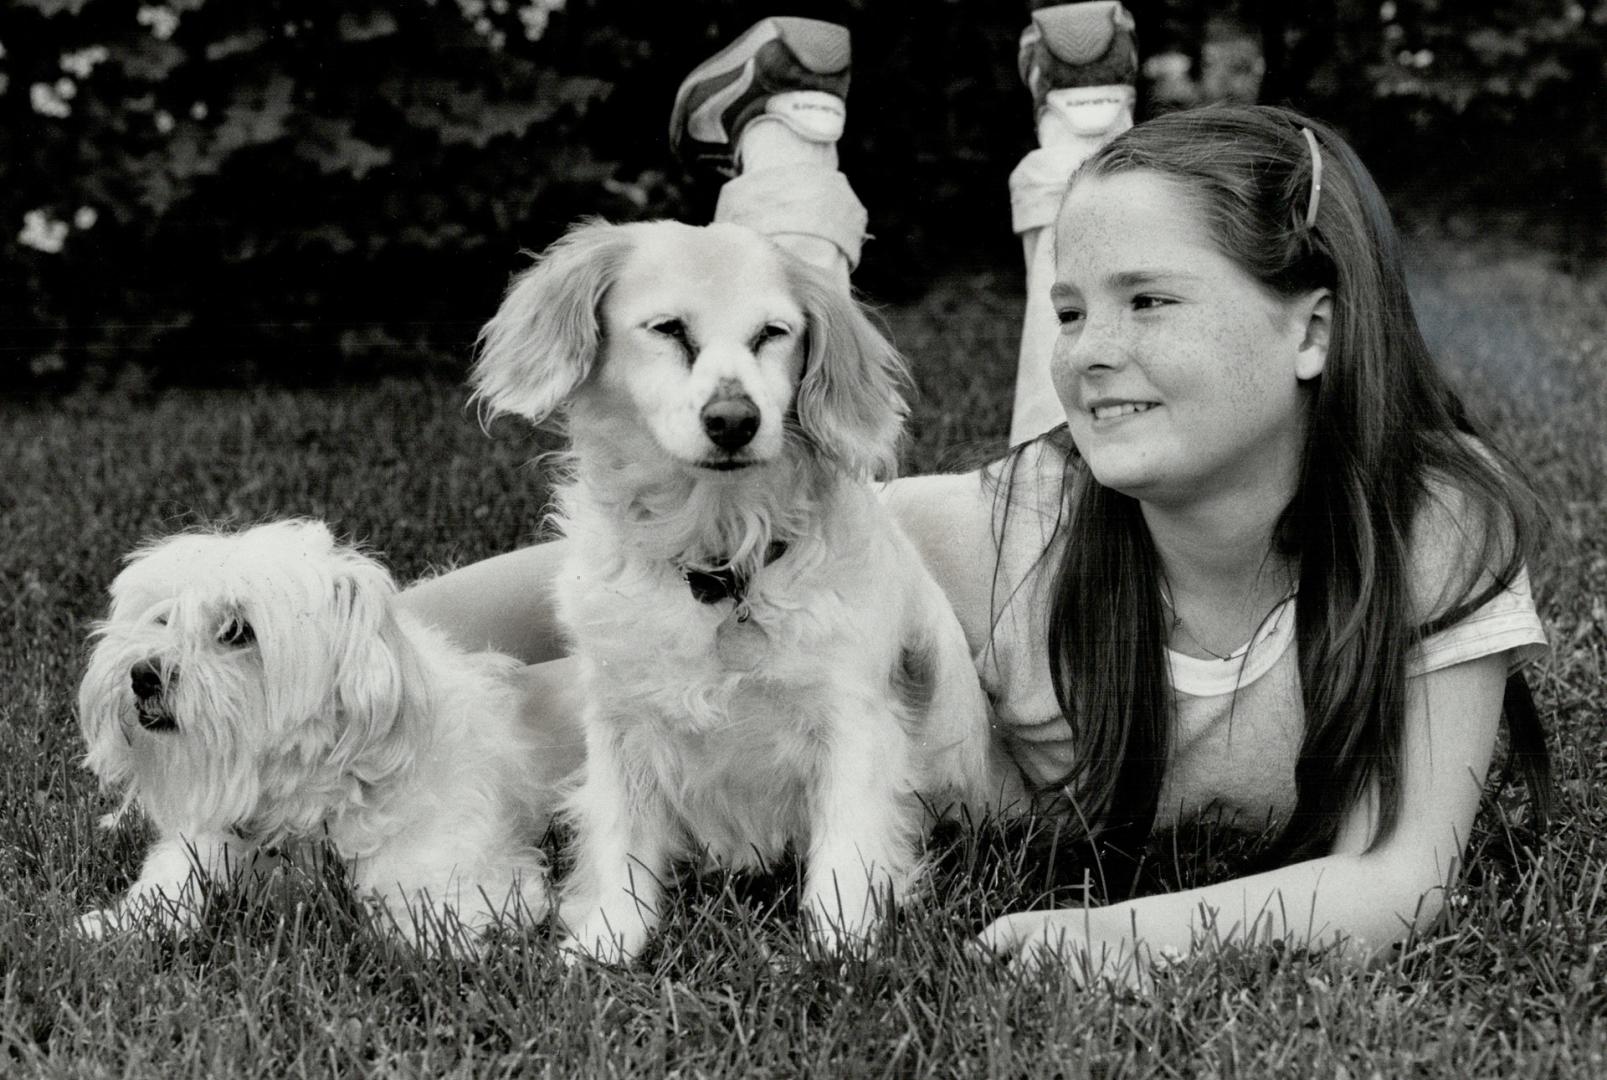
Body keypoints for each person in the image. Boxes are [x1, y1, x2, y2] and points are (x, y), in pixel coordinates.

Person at [402, 5, 1551, 983]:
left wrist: (1093, 938)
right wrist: (394, 625)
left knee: (1037, 341)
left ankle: (1063, 126)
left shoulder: (1433, 523)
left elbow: (1398, 882)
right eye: (1069, 315)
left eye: (1150, 303)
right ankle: (788, 148)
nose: (1089, 346)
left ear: (1312, 328)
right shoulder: (999, 534)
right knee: (770, 346)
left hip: (1080, 509)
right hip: (1045, 540)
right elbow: (654, 555)